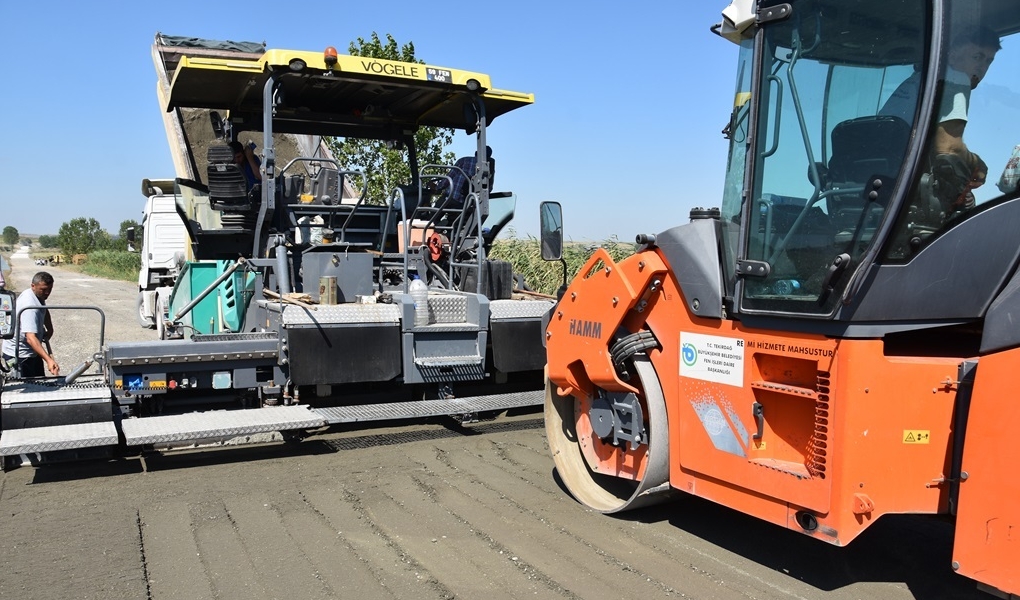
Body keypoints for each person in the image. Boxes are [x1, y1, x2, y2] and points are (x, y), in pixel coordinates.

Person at [881, 26, 1000, 210]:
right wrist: (978, 165)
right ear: (952, 57)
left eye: (988, 61)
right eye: (976, 57)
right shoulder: (955, 79)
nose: (982, 67)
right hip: (905, 193)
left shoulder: (919, 80)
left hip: (883, 187)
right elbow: (949, 148)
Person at [1, 271, 59, 377]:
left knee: (40, 382)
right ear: (33, 286)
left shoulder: (38, 295)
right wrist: (49, 360)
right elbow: (30, 338)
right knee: (29, 388)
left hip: (31, 351)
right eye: (44, 289)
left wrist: (50, 329)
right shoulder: (29, 305)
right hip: (20, 355)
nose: (47, 293)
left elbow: (44, 309)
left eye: (49, 289)